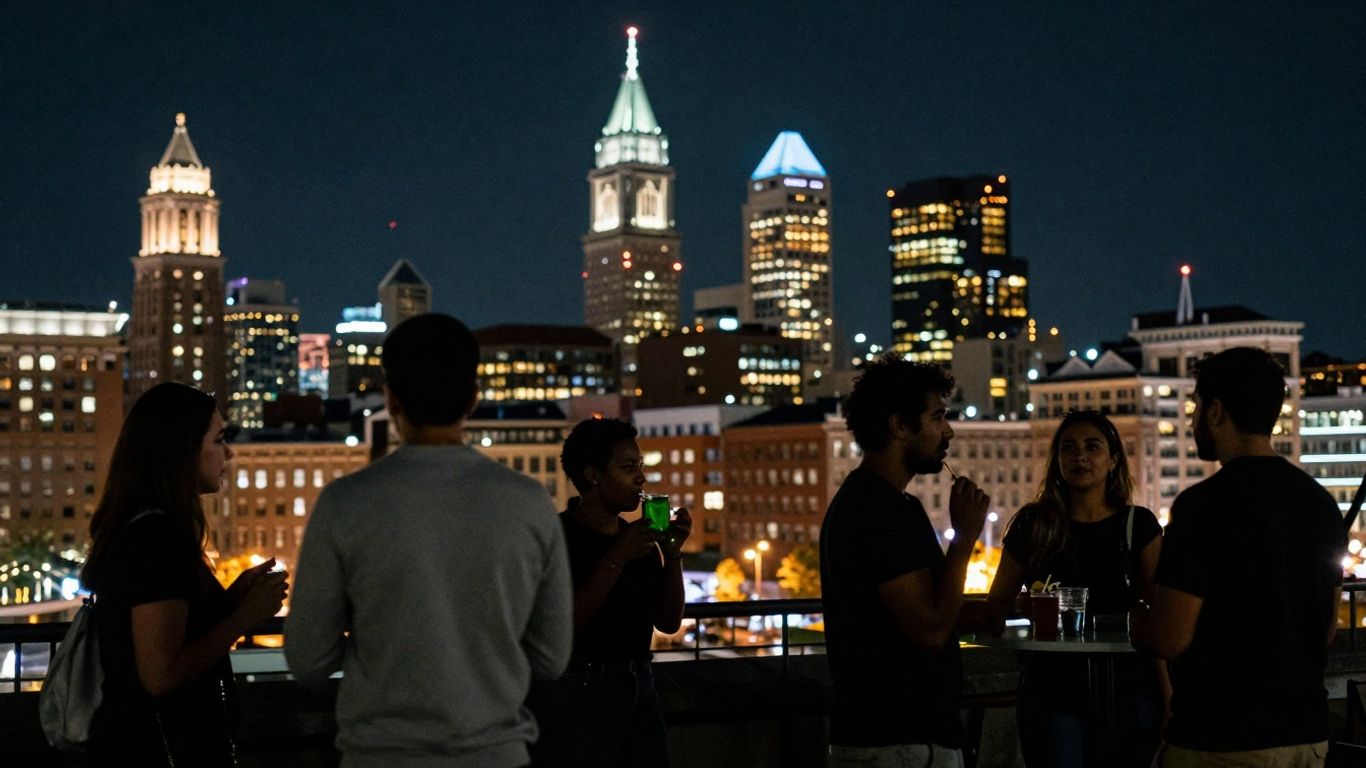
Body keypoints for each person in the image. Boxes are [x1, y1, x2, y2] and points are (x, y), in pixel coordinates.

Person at [285, 313, 573, 767]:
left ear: (392, 399)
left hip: (380, 755)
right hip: (496, 754)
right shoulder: (529, 502)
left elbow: (307, 658)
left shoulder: (345, 503)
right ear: (473, 399)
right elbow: (552, 657)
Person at [1132, 347, 1345, 767]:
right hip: (1306, 734)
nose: (1192, 421)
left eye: (1194, 406)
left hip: (1222, 738)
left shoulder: (1202, 506)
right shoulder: (1319, 503)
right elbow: (1326, 630)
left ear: (1216, 412)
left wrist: (1138, 618)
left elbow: (1169, 638)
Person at [80, 382, 288, 765]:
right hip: (159, 750)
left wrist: (231, 599)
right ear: (181, 450)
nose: (229, 454)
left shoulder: (145, 527)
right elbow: (161, 673)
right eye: (219, 440)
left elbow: (174, 629)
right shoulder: (156, 538)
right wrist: (244, 617)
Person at [820, 356, 992, 768]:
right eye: (937, 417)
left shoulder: (900, 506)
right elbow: (931, 629)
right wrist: (965, 537)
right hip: (895, 743)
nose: (948, 430)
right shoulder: (873, 511)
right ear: (898, 426)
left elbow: (934, 606)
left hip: (915, 739)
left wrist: (998, 611)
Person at [987, 410, 1164, 767]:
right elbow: (997, 602)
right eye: (1068, 448)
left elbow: (1160, 611)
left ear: (1114, 460)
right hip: (1053, 690)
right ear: (1057, 461)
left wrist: (1168, 694)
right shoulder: (1033, 525)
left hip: (1128, 690)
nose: (1079, 456)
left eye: (1092, 447)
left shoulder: (1137, 526)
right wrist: (1019, 607)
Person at [526, 417, 691, 768]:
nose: (641, 478)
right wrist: (617, 556)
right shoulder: (558, 537)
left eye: (640, 466)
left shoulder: (637, 538)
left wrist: (673, 554)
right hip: (578, 691)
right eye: (628, 467)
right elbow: (563, 629)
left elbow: (668, 620)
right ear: (593, 475)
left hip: (639, 686)